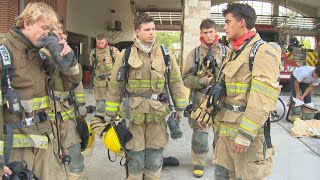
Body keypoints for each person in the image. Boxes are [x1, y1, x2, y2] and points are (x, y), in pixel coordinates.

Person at [91, 13, 187, 179]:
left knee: (155, 155)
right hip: (132, 116)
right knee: (134, 156)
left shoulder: (165, 54)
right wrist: (110, 115)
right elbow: (115, 86)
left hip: (157, 115)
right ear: (137, 32)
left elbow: (175, 82)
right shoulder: (125, 55)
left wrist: (180, 108)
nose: (151, 33)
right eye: (147, 29)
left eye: (153, 29)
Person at [0, 2, 82, 179]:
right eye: (44, 27)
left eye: (51, 29)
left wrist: (69, 61)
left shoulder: (41, 56)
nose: (48, 33)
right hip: (16, 151)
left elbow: (67, 85)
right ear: (27, 23)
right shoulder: (3, 54)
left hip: (45, 144)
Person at [211, 3, 281, 179]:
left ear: (241, 22)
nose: (224, 27)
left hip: (245, 139)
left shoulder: (263, 51)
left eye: (228, 22)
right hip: (225, 135)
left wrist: (245, 134)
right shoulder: (233, 51)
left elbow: (262, 98)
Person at [182, 19, 231, 178]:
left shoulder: (226, 52)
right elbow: (185, 78)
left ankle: (220, 159)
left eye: (211, 32)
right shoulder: (194, 54)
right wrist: (202, 81)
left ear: (215, 32)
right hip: (200, 100)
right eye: (205, 33)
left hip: (221, 100)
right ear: (201, 34)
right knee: (200, 133)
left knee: (221, 133)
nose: (209, 36)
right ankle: (199, 162)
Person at [45, 23, 87, 180]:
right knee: (51, 157)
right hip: (47, 118)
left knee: (74, 154)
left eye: (63, 32)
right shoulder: (40, 55)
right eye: (57, 32)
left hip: (68, 115)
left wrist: (81, 106)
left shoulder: (68, 54)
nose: (62, 36)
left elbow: (77, 83)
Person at [89, 34, 120, 117]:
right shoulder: (93, 52)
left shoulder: (113, 51)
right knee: (100, 101)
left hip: (111, 81)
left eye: (102, 43)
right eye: (98, 43)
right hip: (99, 83)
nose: (100, 45)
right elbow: (92, 65)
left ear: (106, 41)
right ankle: (101, 118)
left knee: (112, 100)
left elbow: (120, 64)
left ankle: (113, 117)